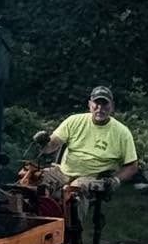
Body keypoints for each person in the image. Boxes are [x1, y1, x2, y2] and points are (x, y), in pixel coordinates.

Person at [32, 86, 140, 222]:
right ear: (90, 105)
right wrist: (43, 142)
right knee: (33, 179)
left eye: (104, 104)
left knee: (73, 192)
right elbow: (52, 145)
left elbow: (132, 166)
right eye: (96, 103)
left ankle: (71, 235)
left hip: (92, 176)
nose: (100, 108)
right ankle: (33, 222)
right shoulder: (74, 121)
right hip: (64, 171)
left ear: (112, 106)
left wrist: (115, 180)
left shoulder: (122, 133)